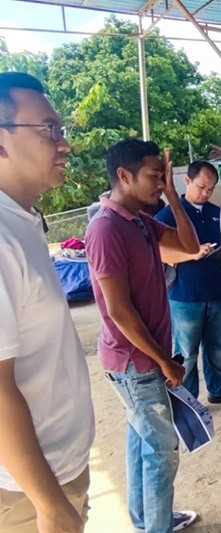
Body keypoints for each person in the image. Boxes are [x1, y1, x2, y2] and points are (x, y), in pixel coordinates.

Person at [85, 139, 199, 532]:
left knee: (141, 441)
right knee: (162, 452)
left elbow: (190, 246)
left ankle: (148, 518)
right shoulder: (105, 228)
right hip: (135, 362)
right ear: (123, 176)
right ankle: (157, 526)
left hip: (145, 358)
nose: (159, 183)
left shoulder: (139, 221)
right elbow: (118, 311)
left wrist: (173, 195)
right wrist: (164, 360)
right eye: (154, 176)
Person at [0, 72, 94, 533]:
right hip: (27, 492)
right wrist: (50, 505)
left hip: (60, 467)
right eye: (48, 130)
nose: (64, 144)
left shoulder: (24, 218)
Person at [155, 161, 221, 404]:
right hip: (185, 296)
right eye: (201, 186)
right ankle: (187, 398)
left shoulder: (217, 212)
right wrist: (192, 254)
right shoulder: (169, 215)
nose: (205, 192)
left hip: (219, 291)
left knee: (218, 346)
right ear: (188, 181)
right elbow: (160, 253)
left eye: (211, 189)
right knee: (186, 353)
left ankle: (219, 387)